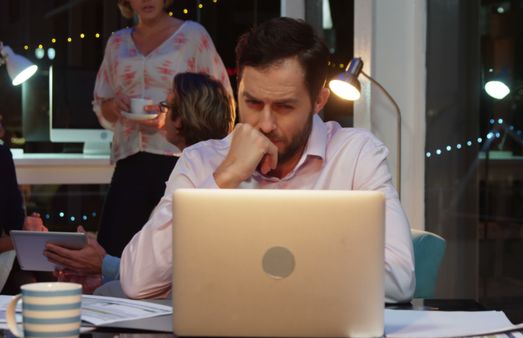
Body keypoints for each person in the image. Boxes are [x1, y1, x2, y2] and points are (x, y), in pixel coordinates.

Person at [119, 17, 416, 303]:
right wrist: (224, 178)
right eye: (253, 102)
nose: (265, 124)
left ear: (319, 101)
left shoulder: (356, 155)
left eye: (285, 106)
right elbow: (137, 281)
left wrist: (291, 260)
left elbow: (400, 278)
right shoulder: (201, 161)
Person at [43, 73, 235, 293]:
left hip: (186, 299)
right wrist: (105, 272)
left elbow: (158, 274)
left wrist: (103, 264)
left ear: (181, 118)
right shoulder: (220, 163)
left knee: (103, 293)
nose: (162, 114)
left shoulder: (193, 171)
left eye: (166, 106)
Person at [93, 0, 231, 257]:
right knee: (114, 251)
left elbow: (222, 99)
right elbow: (102, 107)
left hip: (180, 159)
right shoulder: (117, 43)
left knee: (176, 253)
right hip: (130, 159)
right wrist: (116, 106)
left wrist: (177, 116)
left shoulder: (192, 35)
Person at [0, 143, 49, 294]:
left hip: (7, 257)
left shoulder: (2, 156)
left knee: (42, 276)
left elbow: (15, 223)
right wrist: (21, 238)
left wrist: (31, 229)